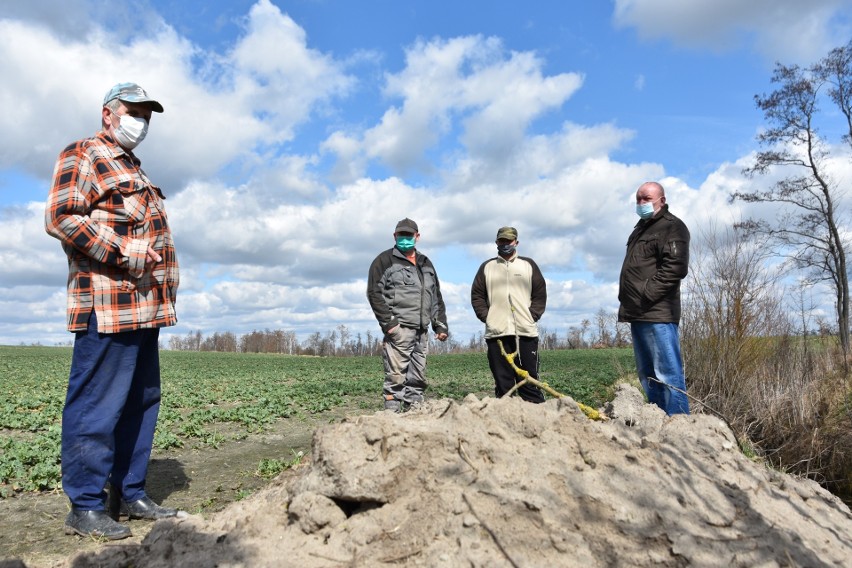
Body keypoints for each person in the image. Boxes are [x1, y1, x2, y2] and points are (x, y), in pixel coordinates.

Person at [45, 82, 181, 540]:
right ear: (108, 113)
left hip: (145, 308)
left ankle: (131, 491)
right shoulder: (84, 154)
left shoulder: (136, 170)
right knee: (97, 405)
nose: (140, 121)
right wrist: (125, 250)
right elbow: (62, 216)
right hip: (106, 304)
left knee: (142, 401)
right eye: (133, 111)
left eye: (147, 114)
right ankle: (85, 505)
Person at [618, 181, 691, 415]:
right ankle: (657, 419)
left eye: (646, 198)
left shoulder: (672, 227)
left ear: (662, 200)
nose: (641, 203)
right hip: (638, 312)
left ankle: (679, 425)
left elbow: (675, 268)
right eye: (638, 198)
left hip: (659, 312)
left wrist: (646, 293)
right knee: (648, 375)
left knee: (668, 373)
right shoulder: (640, 229)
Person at [367, 218, 449, 411]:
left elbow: (435, 295)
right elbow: (374, 293)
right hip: (400, 330)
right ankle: (392, 421)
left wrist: (440, 324)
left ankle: (414, 420)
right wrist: (390, 325)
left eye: (409, 235)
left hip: (422, 330)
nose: (405, 238)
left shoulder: (425, 263)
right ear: (394, 236)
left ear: (417, 237)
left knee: (417, 379)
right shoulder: (384, 260)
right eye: (401, 235)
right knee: (395, 378)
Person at [471, 227, 547, 403]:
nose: (505, 244)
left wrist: (531, 315)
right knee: (503, 384)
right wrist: (488, 317)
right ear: (497, 242)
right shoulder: (487, 267)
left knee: (529, 383)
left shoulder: (528, 265)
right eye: (502, 241)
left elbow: (540, 294)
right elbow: (477, 296)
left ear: (516, 242)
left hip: (525, 333)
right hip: (497, 334)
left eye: (509, 241)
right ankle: (506, 422)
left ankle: (537, 418)